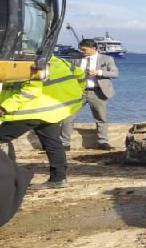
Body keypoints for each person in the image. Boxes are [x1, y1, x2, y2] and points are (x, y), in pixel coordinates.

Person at [0, 55, 85, 189]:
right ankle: (58, 178)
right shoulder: (59, 61)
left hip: (31, 110)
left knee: (2, 137)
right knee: (52, 142)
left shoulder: (28, 62)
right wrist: (79, 91)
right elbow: (80, 74)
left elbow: (31, 90)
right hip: (51, 110)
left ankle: (9, 177)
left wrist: (4, 107)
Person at [62, 39, 119, 150]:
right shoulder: (76, 59)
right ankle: (65, 143)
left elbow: (115, 73)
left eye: (84, 49)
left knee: (101, 117)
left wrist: (98, 72)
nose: (81, 51)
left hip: (97, 91)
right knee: (68, 116)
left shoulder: (107, 59)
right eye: (80, 49)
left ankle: (102, 142)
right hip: (78, 92)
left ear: (93, 48)